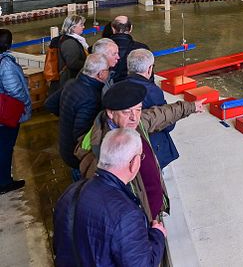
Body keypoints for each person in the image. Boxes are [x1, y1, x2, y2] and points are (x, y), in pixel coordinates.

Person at [75, 82, 205, 222]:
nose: (134, 117)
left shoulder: (135, 124)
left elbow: (161, 114)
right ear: (110, 113)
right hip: (140, 221)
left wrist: (191, 107)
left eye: (138, 109)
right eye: (127, 112)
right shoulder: (102, 152)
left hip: (153, 212)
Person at [53, 129, 167, 266]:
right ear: (133, 163)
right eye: (141, 156)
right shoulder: (127, 214)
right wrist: (157, 235)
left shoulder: (72, 191)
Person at [45, 54, 109, 181]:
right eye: (108, 70)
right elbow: (81, 134)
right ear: (100, 74)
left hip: (65, 147)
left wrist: (66, 116)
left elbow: (50, 104)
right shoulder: (91, 97)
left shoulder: (72, 83)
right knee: (81, 189)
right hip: (77, 157)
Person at [125, 49, 180, 169]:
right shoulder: (152, 91)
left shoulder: (120, 85)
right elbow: (167, 122)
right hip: (150, 144)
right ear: (149, 69)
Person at [0, 29, 32, 195]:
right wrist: (26, 103)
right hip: (6, 114)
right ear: (8, 44)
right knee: (5, 147)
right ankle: (4, 182)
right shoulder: (5, 64)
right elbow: (15, 91)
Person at [51, 14, 88, 93]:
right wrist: (89, 63)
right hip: (68, 81)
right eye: (81, 25)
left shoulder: (72, 39)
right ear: (73, 27)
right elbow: (73, 63)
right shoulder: (69, 42)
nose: (83, 27)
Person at [109, 16, 150, 83]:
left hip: (109, 89)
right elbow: (148, 76)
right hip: (134, 88)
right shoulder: (142, 49)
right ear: (131, 28)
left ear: (113, 29)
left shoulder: (99, 48)